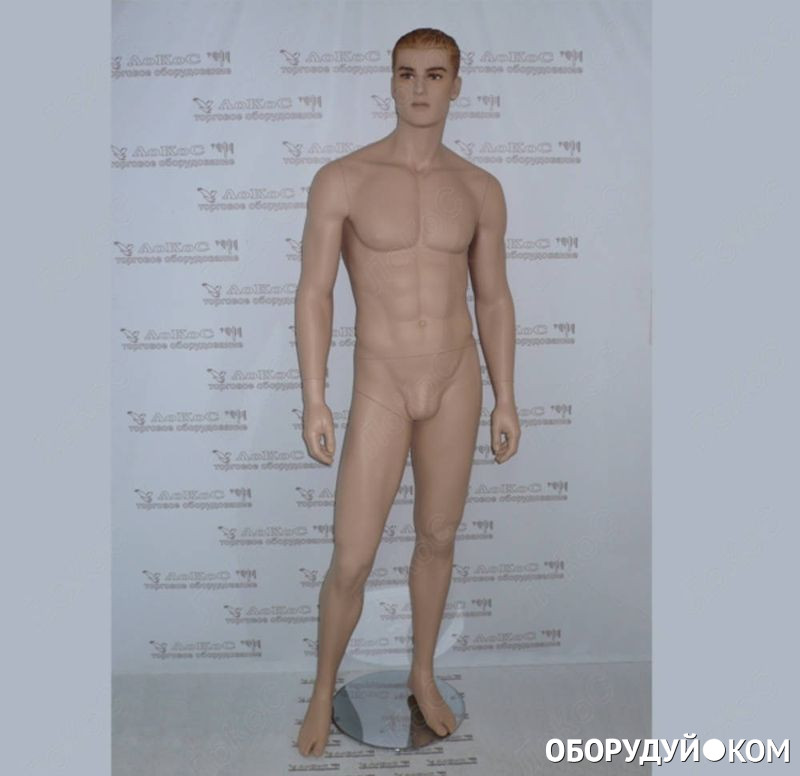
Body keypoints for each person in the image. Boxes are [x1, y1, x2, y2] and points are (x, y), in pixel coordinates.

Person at [293, 27, 520, 757]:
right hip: (382, 383)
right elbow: (315, 292)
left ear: (457, 84)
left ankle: (423, 672)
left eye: (434, 75)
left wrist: (507, 395)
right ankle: (322, 690)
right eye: (406, 74)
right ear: (390, 82)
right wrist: (314, 396)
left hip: (455, 380)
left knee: (438, 537)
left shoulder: (479, 188)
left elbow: (493, 298)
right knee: (353, 557)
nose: (419, 88)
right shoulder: (344, 179)